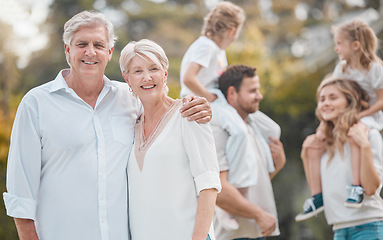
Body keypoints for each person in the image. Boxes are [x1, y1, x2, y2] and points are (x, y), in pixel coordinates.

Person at [3, 11, 212, 240]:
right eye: (82, 44)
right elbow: (20, 195)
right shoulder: (36, 104)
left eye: (99, 45)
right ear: (68, 50)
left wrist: (195, 104)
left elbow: (164, 111)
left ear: (109, 52)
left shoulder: (130, 99)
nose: (90, 52)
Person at [119, 39, 221, 240]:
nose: (147, 77)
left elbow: (209, 186)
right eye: (137, 71)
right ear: (127, 79)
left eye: (153, 68)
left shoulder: (189, 115)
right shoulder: (132, 125)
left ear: (165, 73)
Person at [296, 19, 383, 221]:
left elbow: (381, 101)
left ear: (355, 45)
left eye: (339, 43)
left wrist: (358, 117)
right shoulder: (341, 69)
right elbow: (334, 89)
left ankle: (356, 187)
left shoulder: (374, 69)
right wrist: (321, 129)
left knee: (355, 136)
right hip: (347, 117)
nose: (335, 48)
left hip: (368, 117)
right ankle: (317, 197)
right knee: (312, 144)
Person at [297, 77, 383, 239]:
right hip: (339, 229)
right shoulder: (325, 144)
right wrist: (305, 156)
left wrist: (364, 147)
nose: (326, 103)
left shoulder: (368, 135)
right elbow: (319, 193)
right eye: (322, 99)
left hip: (368, 227)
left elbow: (371, 188)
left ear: (349, 101)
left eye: (333, 97)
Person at [211, 65, 286, 240]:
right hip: (233, 235)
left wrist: (278, 164)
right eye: (252, 91)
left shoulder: (252, 127)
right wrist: (259, 214)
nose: (259, 96)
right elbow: (217, 188)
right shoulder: (219, 130)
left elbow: (249, 183)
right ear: (232, 93)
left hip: (256, 232)